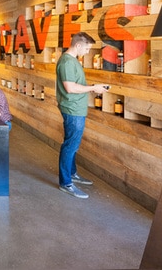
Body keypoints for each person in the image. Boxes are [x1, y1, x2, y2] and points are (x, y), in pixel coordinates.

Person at [56, 32, 109, 199]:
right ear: (78, 45)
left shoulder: (72, 61)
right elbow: (70, 88)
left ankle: (72, 174)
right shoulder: (67, 62)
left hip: (76, 108)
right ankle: (66, 183)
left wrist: (93, 86)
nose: (87, 51)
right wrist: (94, 88)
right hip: (72, 109)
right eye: (87, 48)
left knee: (72, 144)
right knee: (70, 145)